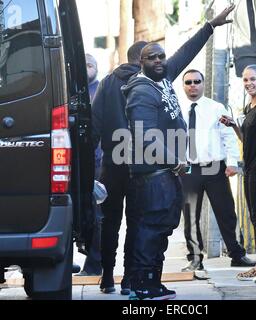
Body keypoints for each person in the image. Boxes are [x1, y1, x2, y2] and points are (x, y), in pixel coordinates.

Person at [122, 4, 236, 300]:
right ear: (141, 62)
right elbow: (144, 135)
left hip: (166, 172)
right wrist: (175, 161)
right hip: (154, 174)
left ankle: (151, 282)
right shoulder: (142, 90)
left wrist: (210, 26)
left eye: (161, 56)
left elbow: (186, 53)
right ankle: (144, 284)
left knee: (161, 227)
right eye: (153, 57)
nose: (160, 61)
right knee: (152, 227)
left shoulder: (161, 77)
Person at [181, 69, 255, 273]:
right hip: (189, 168)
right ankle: (195, 258)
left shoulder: (216, 108)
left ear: (203, 84)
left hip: (215, 168)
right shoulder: (178, 109)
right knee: (190, 216)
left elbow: (228, 136)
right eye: (188, 82)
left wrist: (232, 162)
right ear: (184, 85)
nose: (193, 85)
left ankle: (237, 254)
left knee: (226, 212)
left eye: (197, 81)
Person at [91, 41, 148, 295]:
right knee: (136, 223)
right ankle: (129, 280)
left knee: (109, 222)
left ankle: (107, 277)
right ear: (143, 58)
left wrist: (83, 165)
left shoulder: (107, 82)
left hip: (112, 163)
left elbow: (95, 123)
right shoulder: (149, 84)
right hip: (141, 166)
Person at [220, 65, 256, 280]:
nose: (249, 83)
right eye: (245, 79)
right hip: (248, 169)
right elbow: (246, 140)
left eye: (253, 79)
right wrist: (233, 125)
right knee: (254, 217)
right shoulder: (249, 107)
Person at [75, 53, 103, 277]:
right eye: (83, 64)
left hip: (99, 164)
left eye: (90, 63)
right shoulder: (74, 91)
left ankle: (94, 266)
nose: (87, 67)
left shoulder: (102, 90)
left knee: (97, 216)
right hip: (76, 164)